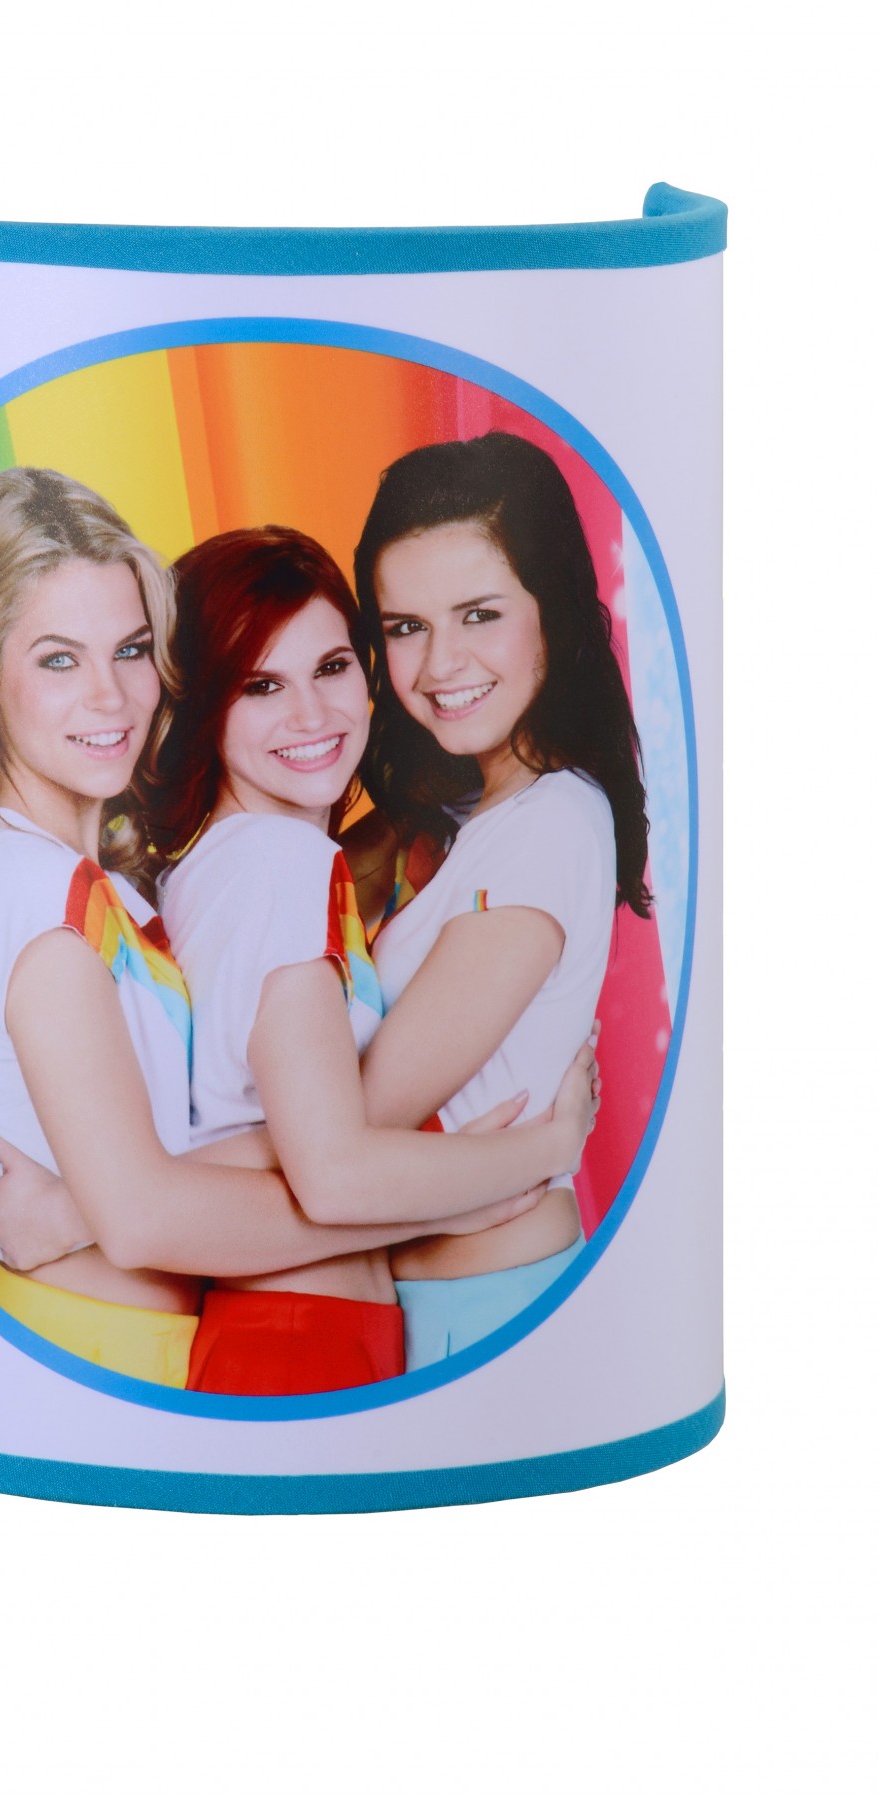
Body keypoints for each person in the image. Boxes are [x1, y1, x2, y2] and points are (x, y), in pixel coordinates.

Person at [0, 468, 581, 1392]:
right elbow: (195, 1202)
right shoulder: (72, 892)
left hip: (171, 1337)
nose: (109, 697)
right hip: (188, 1339)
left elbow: (207, 1149)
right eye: (59, 660)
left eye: (130, 651)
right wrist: (510, 1168)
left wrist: (70, 1210)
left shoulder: (124, 884)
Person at [347, 431, 650, 1369]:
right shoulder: (463, 816)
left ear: (550, 609)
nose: (441, 664)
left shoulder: (550, 824)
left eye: (478, 614)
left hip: (485, 1312)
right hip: (431, 1306)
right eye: (406, 627)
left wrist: (96, 1204)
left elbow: (346, 1130)